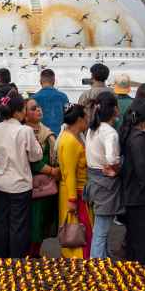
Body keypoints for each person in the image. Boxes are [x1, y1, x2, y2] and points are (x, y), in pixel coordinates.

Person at [0, 92, 42, 258]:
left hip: (0, 182)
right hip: (19, 184)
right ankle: (16, 260)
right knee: (18, 226)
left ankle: (0, 257)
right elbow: (36, 156)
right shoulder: (24, 131)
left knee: (1, 222)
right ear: (18, 111)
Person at [84, 91, 121, 259]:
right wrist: (116, 168)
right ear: (114, 109)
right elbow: (112, 158)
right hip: (105, 183)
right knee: (101, 231)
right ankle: (96, 266)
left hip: (93, 180)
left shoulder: (93, 129)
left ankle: (103, 261)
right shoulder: (109, 132)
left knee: (100, 229)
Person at [118, 97, 145, 263]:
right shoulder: (139, 138)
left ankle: (131, 275)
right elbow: (142, 170)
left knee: (132, 240)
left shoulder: (127, 133)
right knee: (142, 242)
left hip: (129, 194)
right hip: (138, 197)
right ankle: (140, 276)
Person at [24, 97, 59, 257]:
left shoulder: (47, 133)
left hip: (47, 187)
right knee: (33, 223)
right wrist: (52, 171)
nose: (38, 110)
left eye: (38, 107)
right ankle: (30, 255)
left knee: (44, 221)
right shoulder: (23, 132)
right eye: (33, 108)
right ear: (24, 115)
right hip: (30, 185)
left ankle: (36, 253)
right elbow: (33, 163)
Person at [57, 104, 92, 259]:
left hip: (76, 189)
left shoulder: (69, 136)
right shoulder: (70, 141)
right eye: (86, 117)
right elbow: (70, 173)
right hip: (75, 191)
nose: (88, 120)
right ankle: (77, 260)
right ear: (79, 120)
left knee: (78, 228)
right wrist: (72, 199)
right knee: (77, 229)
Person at [32, 69, 69, 136]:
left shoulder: (33, 98)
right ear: (54, 81)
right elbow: (69, 118)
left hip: (42, 138)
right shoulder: (63, 97)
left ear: (40, 81)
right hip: (60, 137)